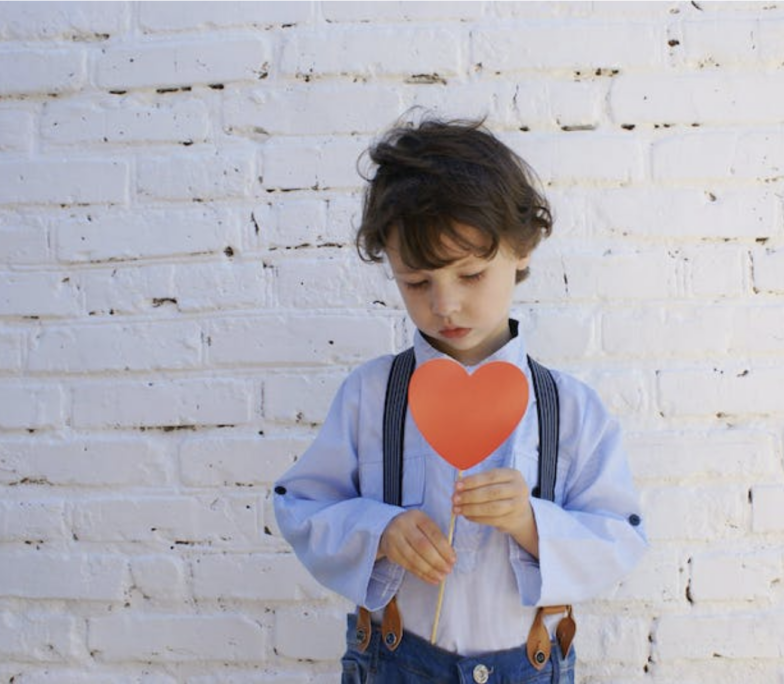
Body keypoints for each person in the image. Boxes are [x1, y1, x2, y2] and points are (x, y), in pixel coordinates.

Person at [273, 117, 647, 683]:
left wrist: (530, 522)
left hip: (527, 664)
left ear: (522, 251)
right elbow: (300, 506)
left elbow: (621, 535)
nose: (445, 305)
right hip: (396, 662)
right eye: (417, 283)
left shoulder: (570, 409)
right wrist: (378, 531)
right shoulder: (371, 396)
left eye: (470, 275)